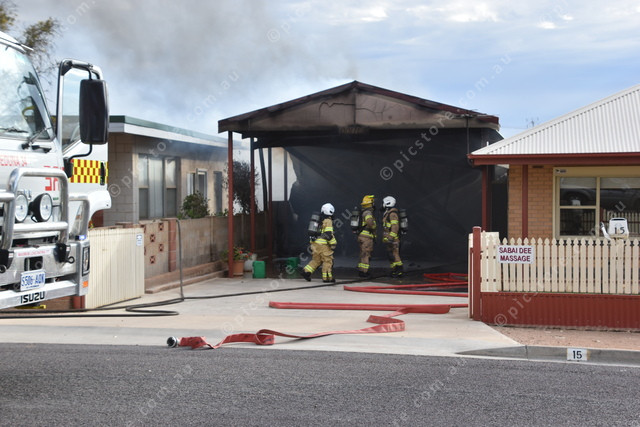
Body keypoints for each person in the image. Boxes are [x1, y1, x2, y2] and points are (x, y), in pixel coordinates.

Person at [302, 203, 337, 283]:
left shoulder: (319, 219)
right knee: (327, 260)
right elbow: (328, 234)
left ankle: (306, 272)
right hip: (323, 245)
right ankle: (327, 278)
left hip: (314, 244)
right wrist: (333, 243)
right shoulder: (328, 221)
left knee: (316, 260)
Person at [382, 196, 403, 277]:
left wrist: (391, 237)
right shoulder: (388, 213)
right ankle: (394, 270)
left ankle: (399, 271)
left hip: (393, 239)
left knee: (395, 254)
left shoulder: (392, 214)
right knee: (391, 256)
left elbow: (395, 227)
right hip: (389, 239)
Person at [357, 195, 376, 278]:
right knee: (366, 254)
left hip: (361, 236)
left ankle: (361, 270)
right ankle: (364, 272)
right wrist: (374, 227)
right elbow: (370, 223)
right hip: (367, 237)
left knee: (362, 253)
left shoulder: (363, 212)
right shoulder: (368, 213)